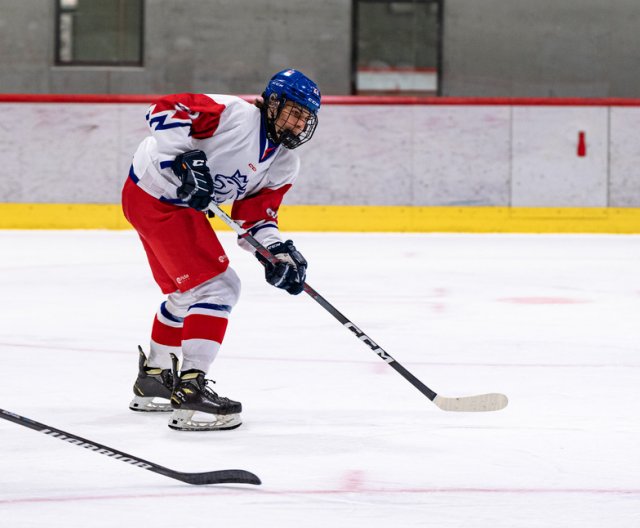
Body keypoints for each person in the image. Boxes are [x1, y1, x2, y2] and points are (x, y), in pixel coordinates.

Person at [121, 69, 321, 431]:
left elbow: (256, 220)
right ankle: (192, 393)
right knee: (219, 288)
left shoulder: (284, 163)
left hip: (164, 205)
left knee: (186, 295)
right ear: (273, 103)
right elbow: (165, 108)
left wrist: (277, 255)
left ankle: (154, 378)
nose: (298, 124)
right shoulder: (234, 115)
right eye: (293, 112)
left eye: (305, 118)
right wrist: (182, 158)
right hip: (156, 193)